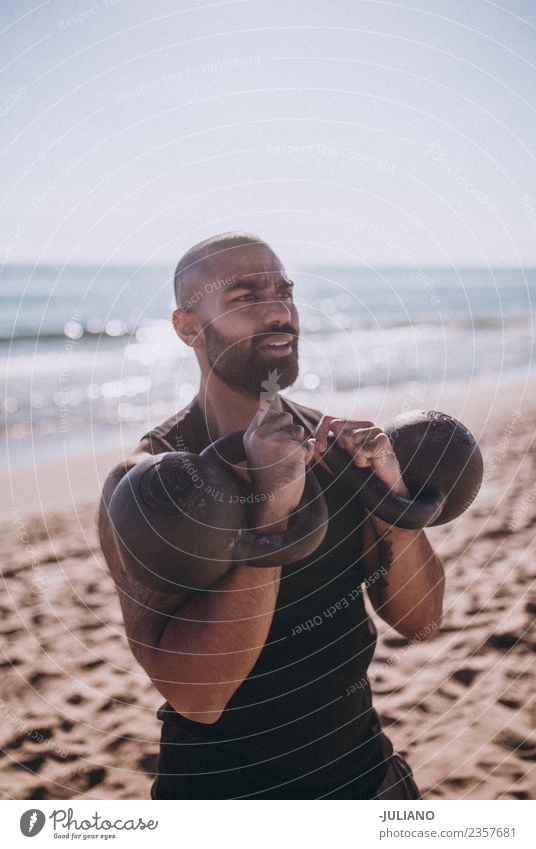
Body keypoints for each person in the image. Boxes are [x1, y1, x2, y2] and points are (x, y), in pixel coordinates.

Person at [98, 232, 444, 799]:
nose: (279, 311)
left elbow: (421, 621)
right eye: (244, 297)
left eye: (284, 292)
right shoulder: (149, 483)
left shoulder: (338, 449)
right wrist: (272, 511)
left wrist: (391, 503)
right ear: (188, 327)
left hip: (366, 779)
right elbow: (195, 697)